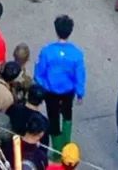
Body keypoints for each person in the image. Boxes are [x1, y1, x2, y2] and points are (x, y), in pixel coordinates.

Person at [33, 15, 85, 150]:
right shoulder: (77, 53)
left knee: (53, 117)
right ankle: (67, 144)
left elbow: (39, 73)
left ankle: (56, 150)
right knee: (67, 114)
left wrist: (42, 85)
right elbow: (80, 75)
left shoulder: (47, 51)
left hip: (50, 92)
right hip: (68, 91)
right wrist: (80, 93)